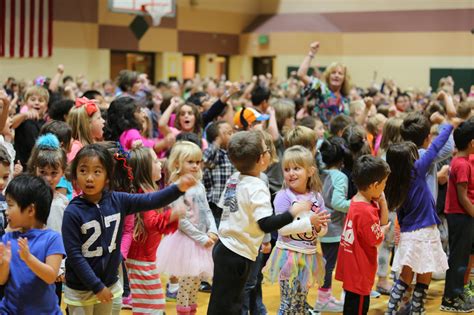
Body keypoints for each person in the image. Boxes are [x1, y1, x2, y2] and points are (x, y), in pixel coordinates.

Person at [61, 143, 196, 314]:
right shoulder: (72, 212)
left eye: (97, 172)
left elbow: (151, 200)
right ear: (75, 175)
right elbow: (74, 256)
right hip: (81, 290)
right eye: (83, 171)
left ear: (107, 176)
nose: (89, 178)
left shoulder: (118, 200)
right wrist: (96, 286)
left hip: (108, 284)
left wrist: (178, 188)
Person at [207, 131, 310, 315]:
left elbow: (224, 208)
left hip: (223, 248)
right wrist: (292, 212)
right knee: (231, 306)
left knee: (220, 303)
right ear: (262, 159)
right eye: (266, 149)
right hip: (237, 254)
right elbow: (265, 224)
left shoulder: (234, 178)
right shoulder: (257, 187)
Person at [384, 119, 457, 314]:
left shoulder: (394, 181)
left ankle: (391, 309)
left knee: (405, 276)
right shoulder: (416, 171)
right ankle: (417, 309)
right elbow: (435, 147)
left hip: (409, 232)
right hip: (425, 231)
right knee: (425, 273)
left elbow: (401, 212)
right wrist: (448, 124)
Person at [265, 146, 329, 314]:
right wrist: (310, 222)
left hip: (309, 256)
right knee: (287, 303)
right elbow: (282, 229)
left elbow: (322, 230)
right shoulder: (283, 196)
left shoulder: (317, 197)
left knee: (300, 304)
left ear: (310, 171)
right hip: (288, 256)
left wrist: (318, 226)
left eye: (296, 168)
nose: (291, 173)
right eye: (287, 169)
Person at [157, 141, 217, 315]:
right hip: (186, 243)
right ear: (177, 164)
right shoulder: (175, 190)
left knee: (195, 285)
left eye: (198, 162)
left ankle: (192, 311)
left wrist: (213, 230)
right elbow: (182, 222)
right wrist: (201, 237)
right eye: (190, 162)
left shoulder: (199, 185)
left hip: (202, 241)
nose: (195, 165)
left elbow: (207, 210)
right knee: (186, 286)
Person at [126, 145, 184, 314]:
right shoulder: (142, 196)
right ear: (145, 169)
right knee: (153, 307)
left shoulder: (148, 192)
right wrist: (172, 215)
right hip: (141, 262)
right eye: (156, 161)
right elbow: (151, 223)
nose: (160, 164)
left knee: (152, 307)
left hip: (146, 260)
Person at [0, 175, 64, 314]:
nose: (6, 211)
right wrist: (4, 264)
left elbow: (51, 276)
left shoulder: (52, 239)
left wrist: (28, 258)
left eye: (10, 205)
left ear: (30, 210)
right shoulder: (7, 239)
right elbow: (1, 280)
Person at [335, 155, 391, 314]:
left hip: (353, 268)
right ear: (374, 185)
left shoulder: (358, 200)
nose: (385, 187)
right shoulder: (365, 211)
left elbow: (382, 222)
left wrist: (383, 202)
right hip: (359, 270)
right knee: (358, 308)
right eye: (384, 183)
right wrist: (384, 230)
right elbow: (376, 238)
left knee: (351, 307)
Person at [27, 133, 69, 304]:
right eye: (43, 172)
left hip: (54, 268)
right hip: (29, 263)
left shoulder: (63, 204)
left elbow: (64, 237)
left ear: (62, 172)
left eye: (54, 173)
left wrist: (62, 267)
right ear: (35, 169)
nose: (48, 178)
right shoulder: (27, 199)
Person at [441, 118, 474, 312]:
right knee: (458, 259)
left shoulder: (464, 160)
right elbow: (462, 197)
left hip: (465, 214)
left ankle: (457, 292)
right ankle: (450, 299)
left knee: (461, 257)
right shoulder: (461, 164)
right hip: (460, 215)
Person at [315, 138, 351, 312]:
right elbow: (338, 202)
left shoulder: (321, 173)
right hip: (334, 228)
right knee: (328, 265)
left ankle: (326, 297)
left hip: (323, 226)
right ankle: (323, 299)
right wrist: (356, 204)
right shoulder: (340, 176)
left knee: (327, 264)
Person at [297, 41, 351, 125]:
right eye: (333, 73)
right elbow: (301, 75)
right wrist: (311, 53)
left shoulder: (346, 98)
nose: (336, 75)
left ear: (344, 78)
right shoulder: (321, 88)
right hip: (320, 134)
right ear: (328, 76)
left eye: (340, 73)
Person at [104, 96, 174, 154]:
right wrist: (165, 142)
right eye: (139, 111)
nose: (143, 114)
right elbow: (147, 152)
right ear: (129, 116)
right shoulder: (131, 133)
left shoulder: (126, 133)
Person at [203, 121, 235, 227]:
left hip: (230, 203)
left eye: (232, 132)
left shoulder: (234, 154)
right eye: (227, 132)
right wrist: (217, 141)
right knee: (215, 231)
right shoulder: (215, 153)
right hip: (214, 203)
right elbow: (204, 159)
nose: (232, 135)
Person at [12, 85, 49, 167]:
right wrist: (24, 115)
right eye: (33, 100)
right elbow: (11, 124)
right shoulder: (22, 119)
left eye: (41, 100)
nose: (36, 103)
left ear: (46, 106)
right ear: (26, 103)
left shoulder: (45, 124)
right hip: (21, 166)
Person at [66, 97, 105, 162]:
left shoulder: (95, 142)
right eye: (99, 118)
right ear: (87, 124)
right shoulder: (76, 148)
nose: (103, 121)